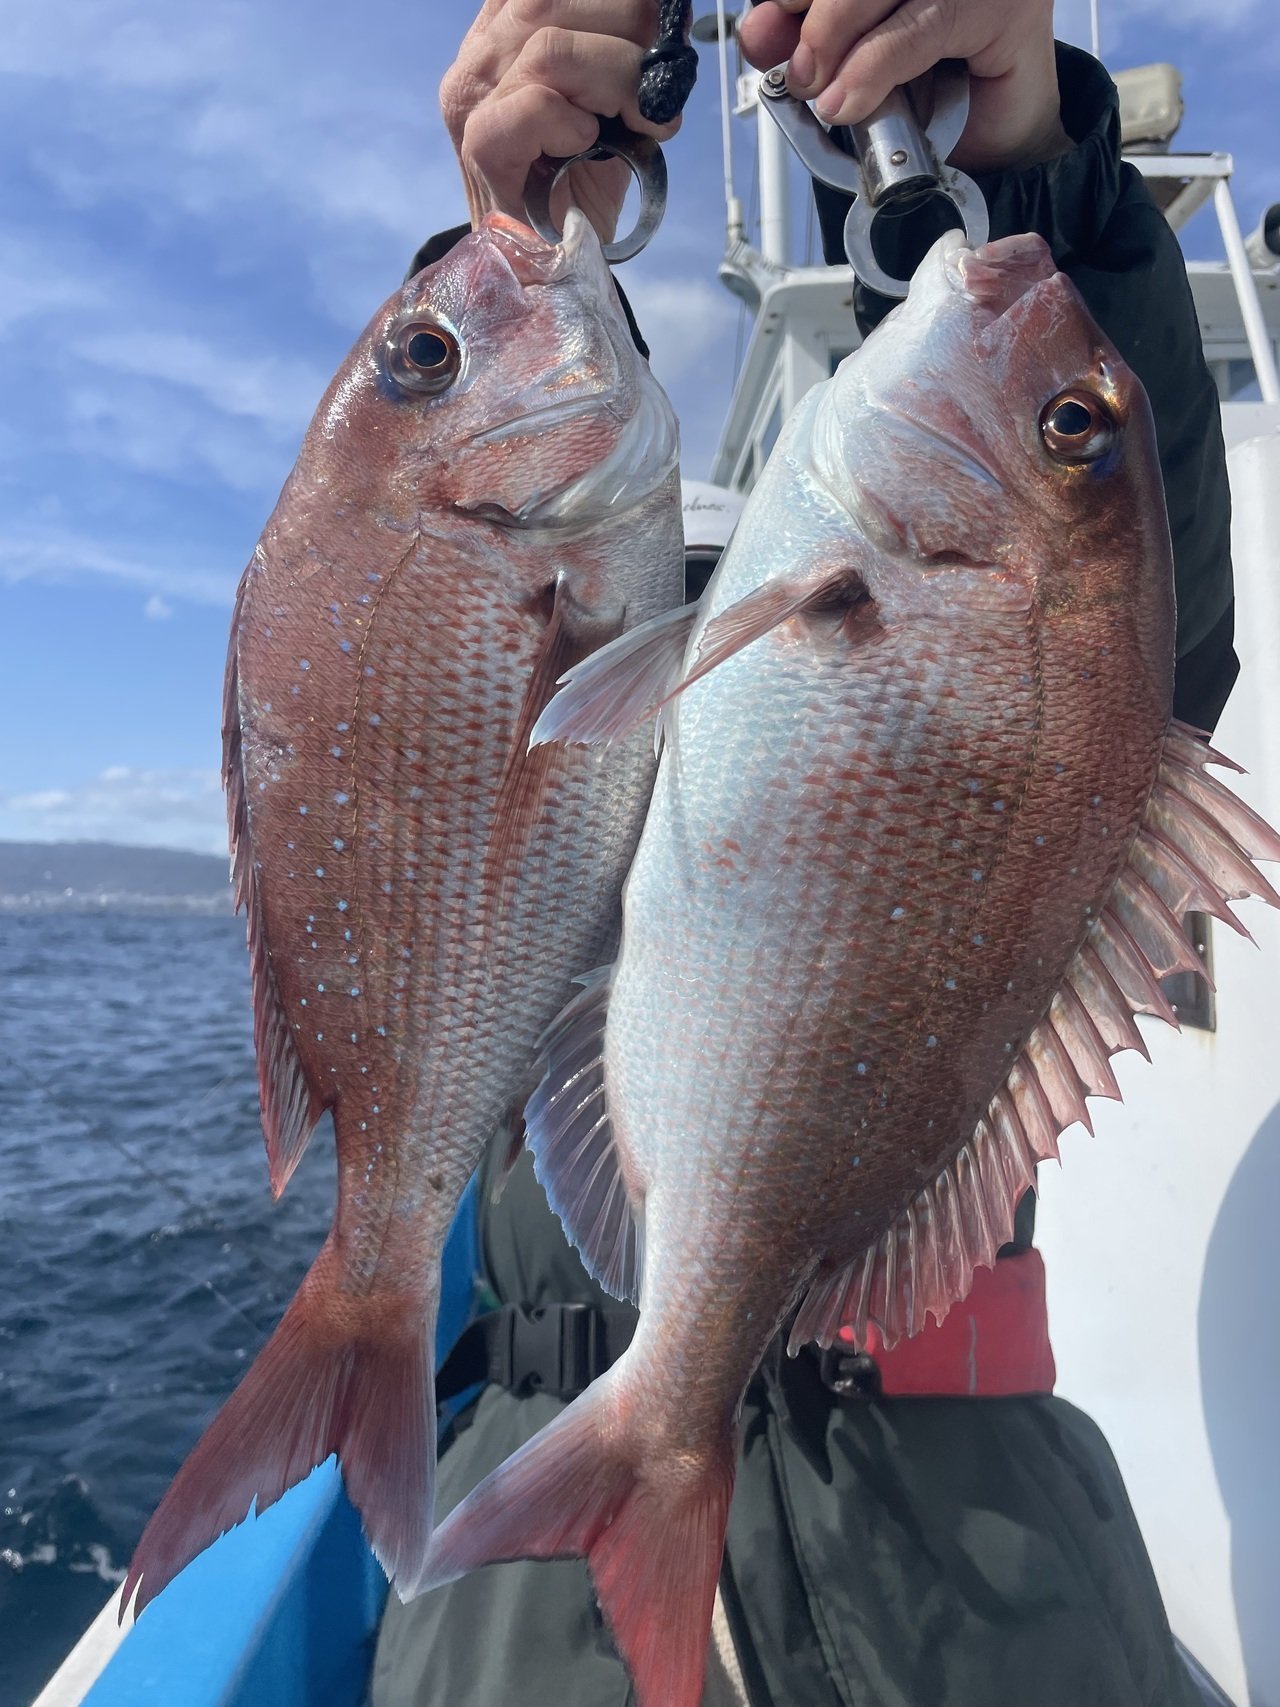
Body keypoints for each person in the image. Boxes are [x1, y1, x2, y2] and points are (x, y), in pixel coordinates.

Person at [371, 2, 1237, 1701]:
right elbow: (442, 697)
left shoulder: (1046, 642)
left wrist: (1036, 175)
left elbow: (1145, 655)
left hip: (974, 1559)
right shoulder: (623, 619)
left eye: (1068, 431)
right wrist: (511, 258)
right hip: (536, 1546)